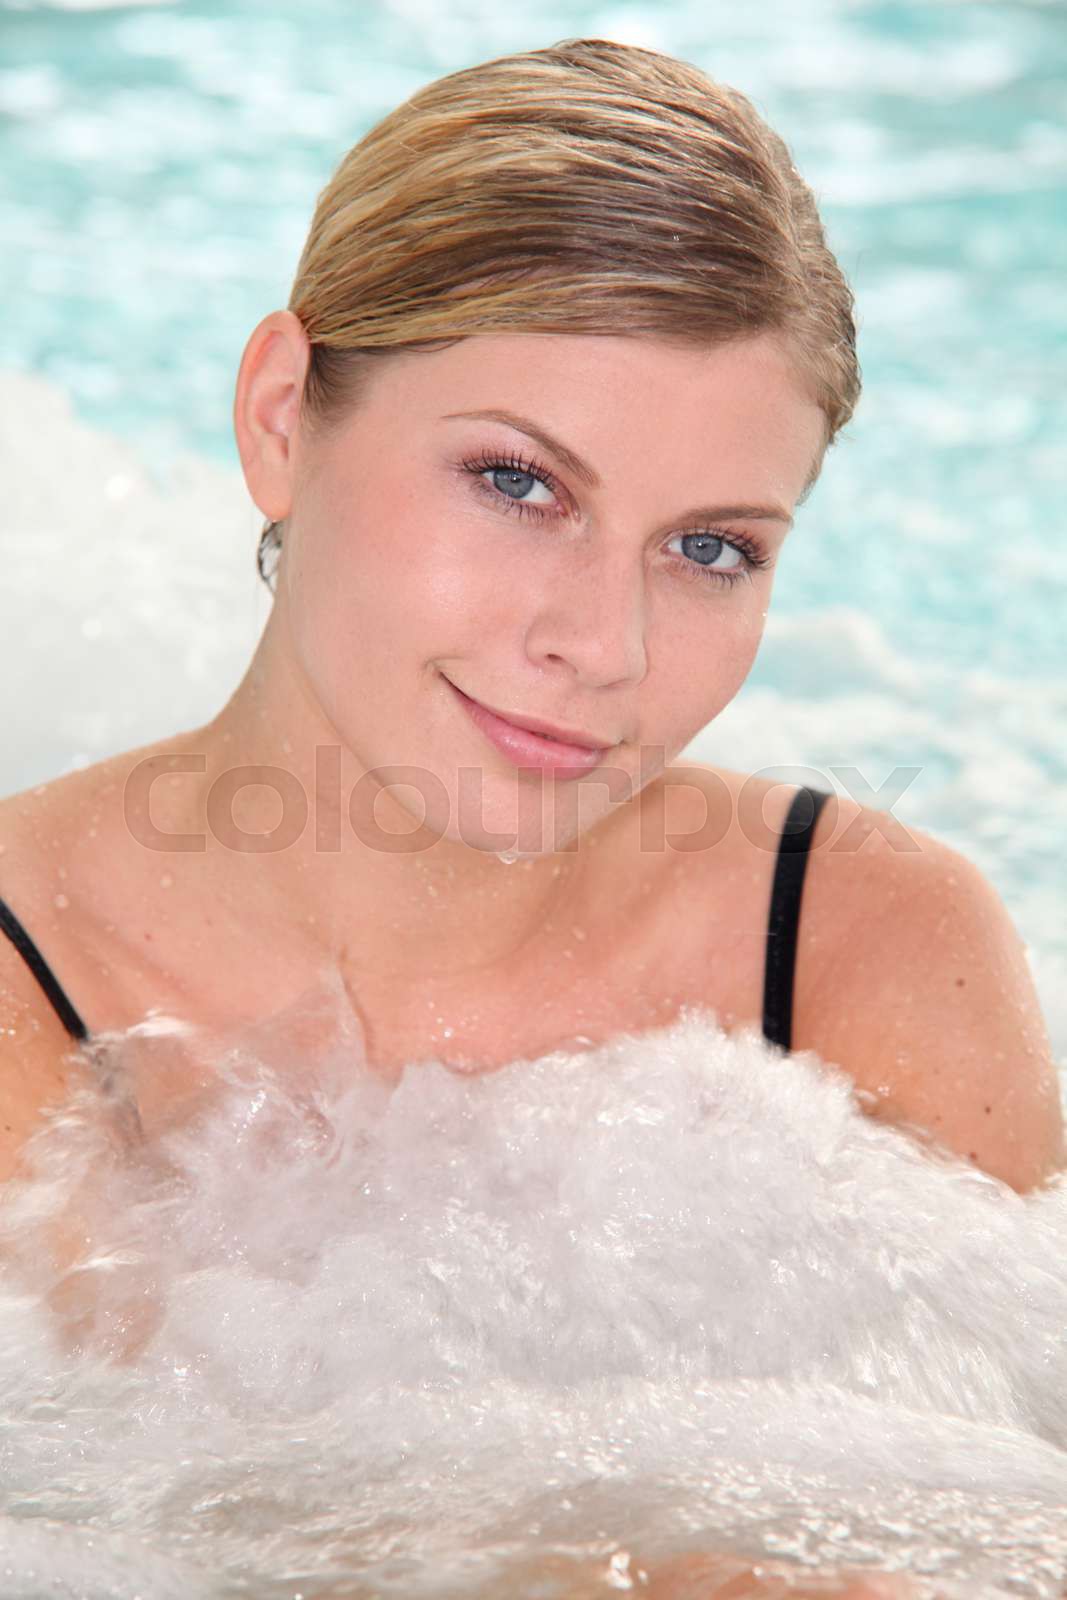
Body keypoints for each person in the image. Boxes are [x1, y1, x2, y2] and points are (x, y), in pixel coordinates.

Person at [0, 37, 1062, 1201]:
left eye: (710, 549)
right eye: (518, 482)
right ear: (280, 418)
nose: (606, 648)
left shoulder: (853, 950)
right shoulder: (30, 992)